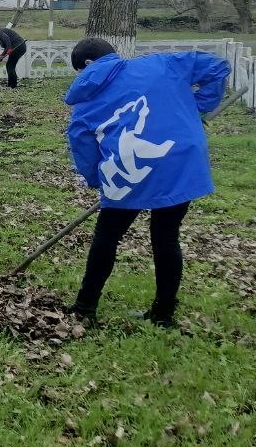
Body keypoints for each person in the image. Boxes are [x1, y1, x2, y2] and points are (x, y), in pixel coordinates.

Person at [64, 37, 231, 328]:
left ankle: (84, 308)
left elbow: (83, 147)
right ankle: (162, 315)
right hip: (179, 160)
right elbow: (217, 67)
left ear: (88, 64)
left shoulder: (84, 102)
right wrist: (198, 107)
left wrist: (97, 181)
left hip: (129, 171)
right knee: (165, 236)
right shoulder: (161, 64)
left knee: (107, 236)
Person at [0, 22, 27, 89]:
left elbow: (8, 43)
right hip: (20, 47)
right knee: (10, 65)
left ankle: (12, 86)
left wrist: (2, 55)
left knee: (10, 66)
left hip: (18, 47)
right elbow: (7, 46)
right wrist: (2, 56)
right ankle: (11, 85)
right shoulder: (1, 32)